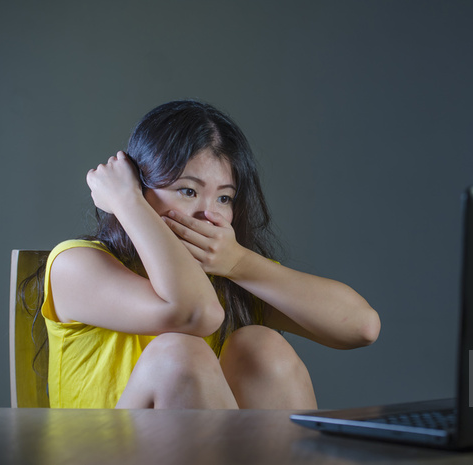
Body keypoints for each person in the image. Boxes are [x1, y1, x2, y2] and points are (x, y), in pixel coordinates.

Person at [39, 99, 380, 409]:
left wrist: (239, 263)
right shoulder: (76, 265)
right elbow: (195, 313)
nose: (209, 216)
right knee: (179, 354)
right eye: (188, 191)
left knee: (262, 347)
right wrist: (126, 202)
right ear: (140, 191)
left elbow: (362, 327)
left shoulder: (225, 273)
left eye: (224, 198)